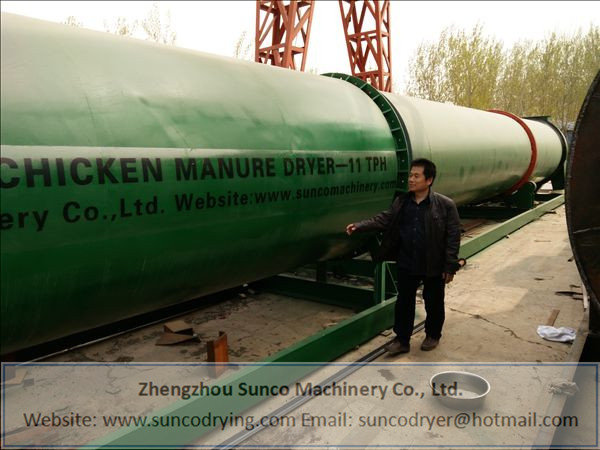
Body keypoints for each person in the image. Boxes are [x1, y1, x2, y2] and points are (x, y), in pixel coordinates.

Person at [346, 158, 461, 355]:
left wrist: (450, 266)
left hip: (432, 263)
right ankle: (402, 340)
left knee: (433, 301)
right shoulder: (402, 202)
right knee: (404, 302)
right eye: (410, 175)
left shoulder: (445, 205)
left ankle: (433, 335)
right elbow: (384, 219)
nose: (411, 179)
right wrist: (360, 225)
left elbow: (453, 237)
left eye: (416, 176)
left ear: (429, 180)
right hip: (407, 261)